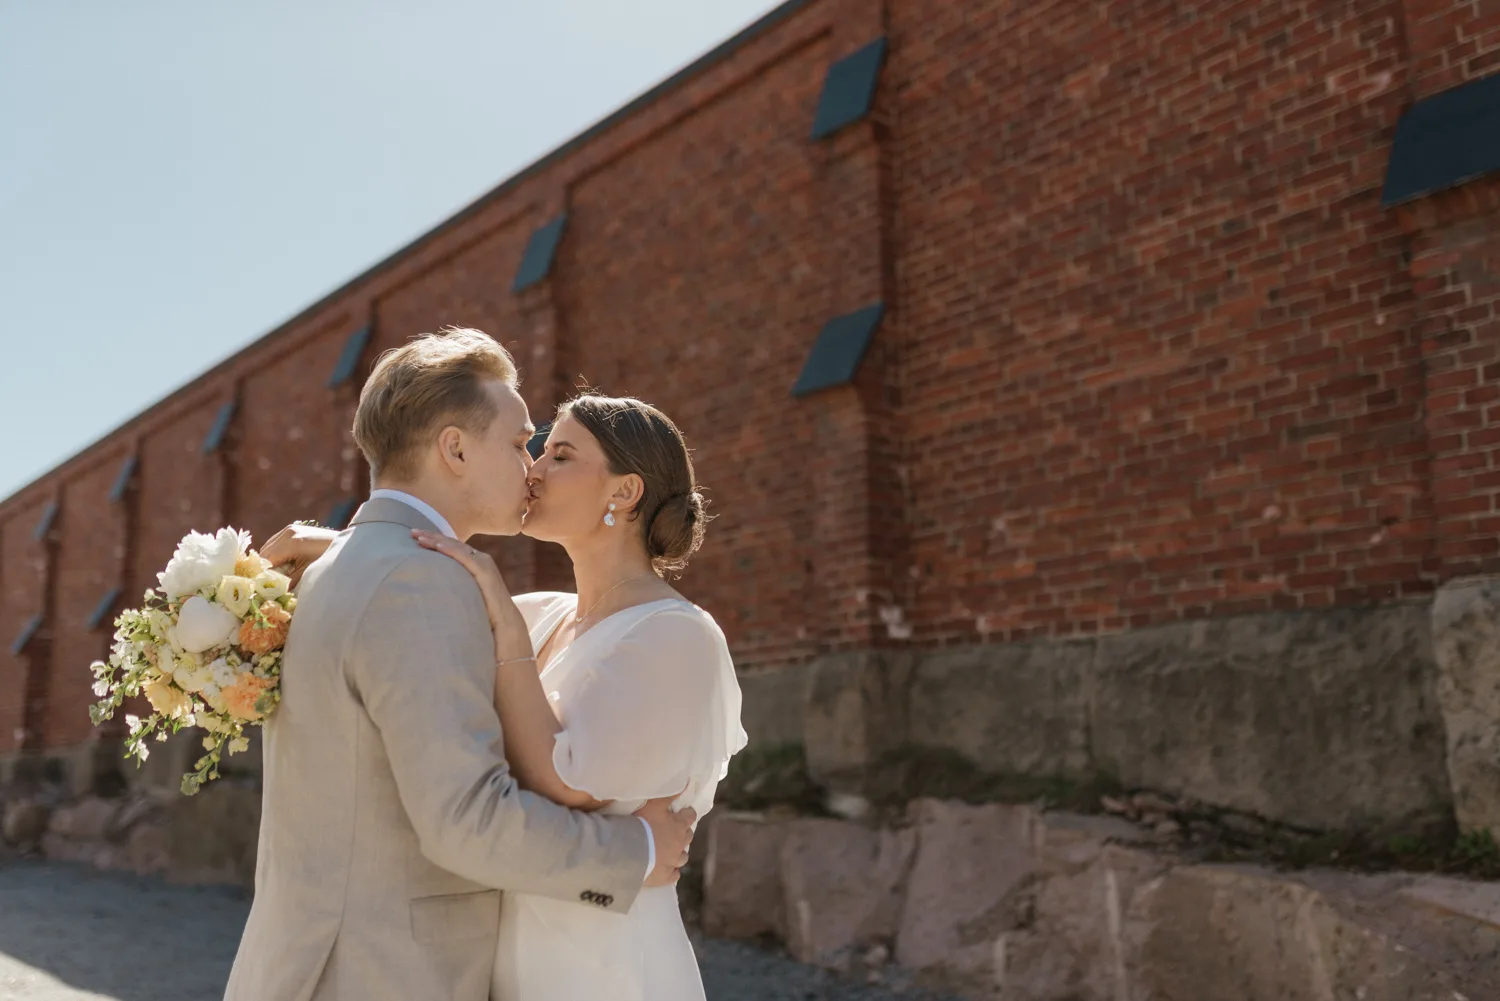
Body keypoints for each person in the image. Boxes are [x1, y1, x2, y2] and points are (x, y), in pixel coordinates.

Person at [224, 329, 699, 1001]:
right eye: (517, 443)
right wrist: (639, 852)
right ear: (454, 448)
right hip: (381, 975)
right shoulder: (415, 583)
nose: (528, 466)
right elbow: (466, 821)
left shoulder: (343, 568)